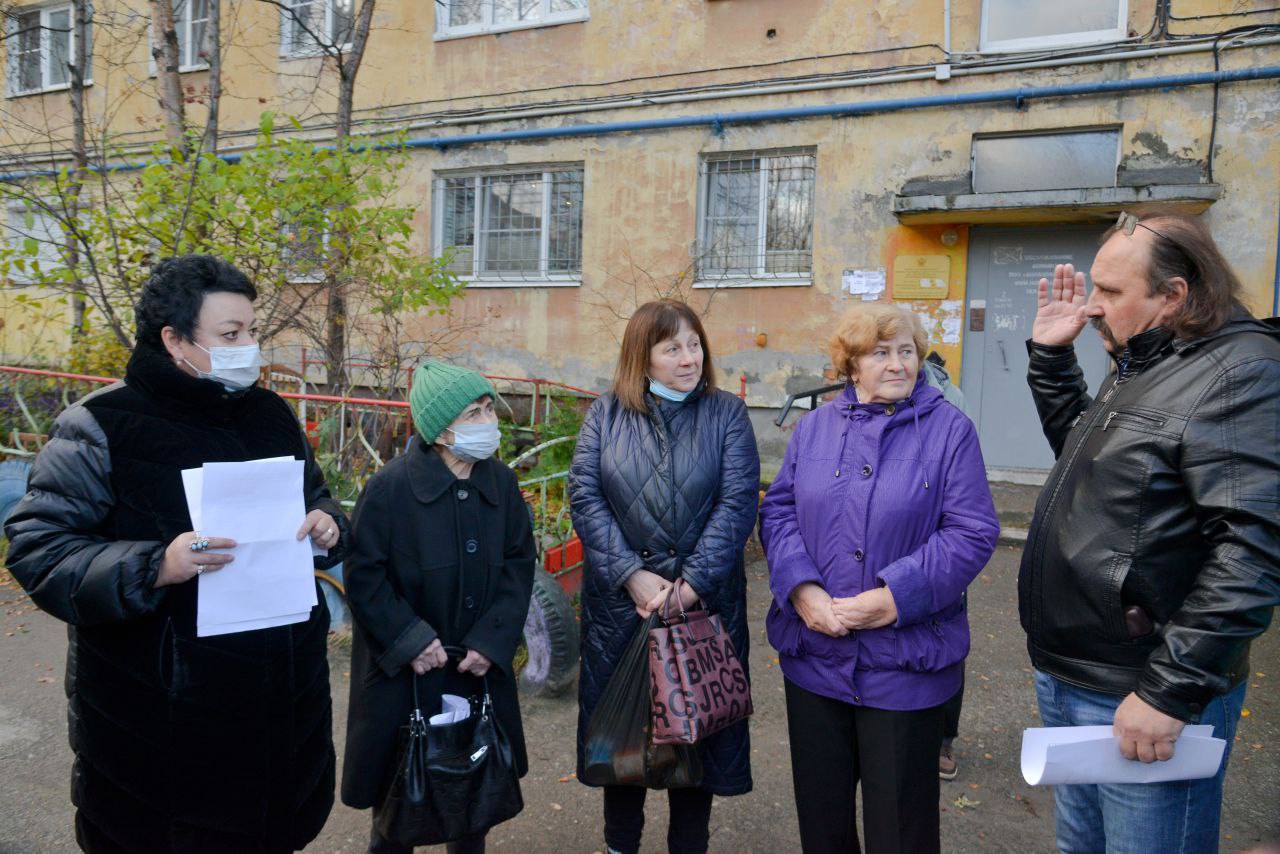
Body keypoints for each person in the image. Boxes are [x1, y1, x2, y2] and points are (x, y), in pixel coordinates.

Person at [3, 255, 346, 853]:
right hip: (158, 727)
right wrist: (157, 564)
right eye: (230, 335)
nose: (249, 347)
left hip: (283, 714)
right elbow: (40, 550)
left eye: (253, 332)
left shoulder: (269, 415)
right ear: (174, 340)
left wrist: (328, 524)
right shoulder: (101, 425)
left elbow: (316, 496)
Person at [1021, 208, 1280, 853]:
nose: (1092, 308)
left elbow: (1252, 550)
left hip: (1141, 691)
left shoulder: (1239, 373)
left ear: (1174, 296)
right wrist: (1052, 362)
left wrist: (1168, 691)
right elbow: (1098, 472)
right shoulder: (1149, 359)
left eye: (1110, 292)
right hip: (1077, 675)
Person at [759, 301, 999, 854]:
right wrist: (801, 588)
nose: (897, 365)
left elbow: (971, 530)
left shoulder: (949, 431)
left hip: (904, 666)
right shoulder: (814, 429)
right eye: (880, 353)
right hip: (816, 657)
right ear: (851, 365)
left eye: (907, 352)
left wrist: (897, 597)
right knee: (823, 827)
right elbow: (779, 510)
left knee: (901, 832)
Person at [569, 299, 760, 854]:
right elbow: (585, 497)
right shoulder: (605, 414)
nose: (688, 358)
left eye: (694, 344)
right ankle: (619, 846)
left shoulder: (727, 413)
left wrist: (693, 582)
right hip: (622, 611)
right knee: (622, 743)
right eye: (671, 347)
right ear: (642, 357)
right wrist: (631, 574)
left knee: (694, 734)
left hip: (703, 608)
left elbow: (737, 503)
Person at [341, 360, 536, 854]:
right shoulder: (388, 490)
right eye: (474, 412)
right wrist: (410, 640)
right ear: (440, 429)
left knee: (475, 800)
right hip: (405, 677)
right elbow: (365, 577)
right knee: (397, 805)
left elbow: (519, 564)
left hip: (475, 668)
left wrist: (492, 641)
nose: (488, 421)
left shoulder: (502, 484)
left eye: (489, 408)